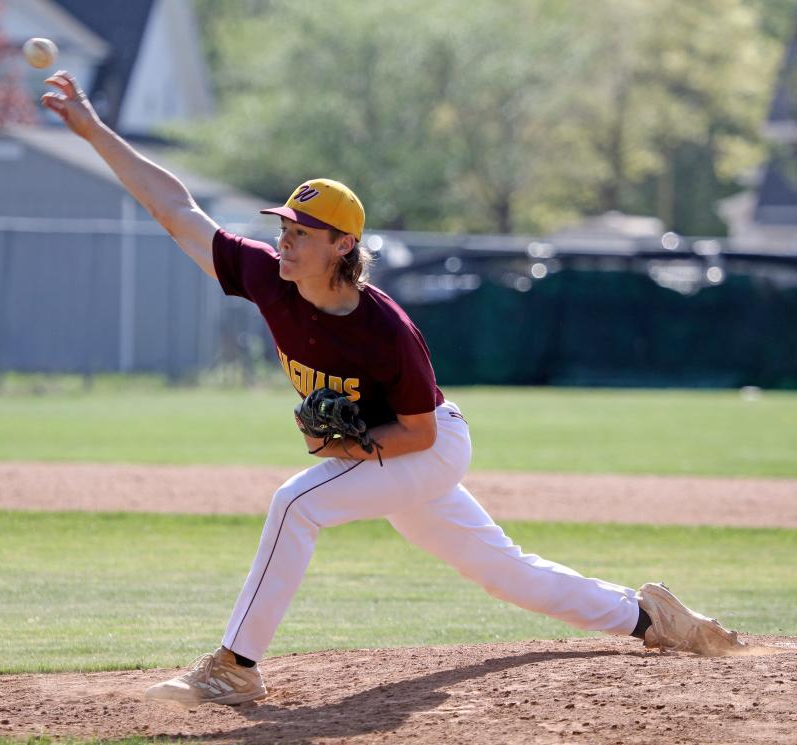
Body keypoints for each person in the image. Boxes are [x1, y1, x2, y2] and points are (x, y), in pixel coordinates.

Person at [42, 71, 745, 706]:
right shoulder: (267, 278)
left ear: (342, 246)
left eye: (300, 231)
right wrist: (95, 129)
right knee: (506, 571)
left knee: (296, 504)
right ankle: (650, 618)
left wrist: (348, 447)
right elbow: (178, 209)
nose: (284, 239)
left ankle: (235, 664)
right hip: (394, 451)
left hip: (429, 443)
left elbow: (422, 431)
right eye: (283, 226)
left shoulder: (385, 330)